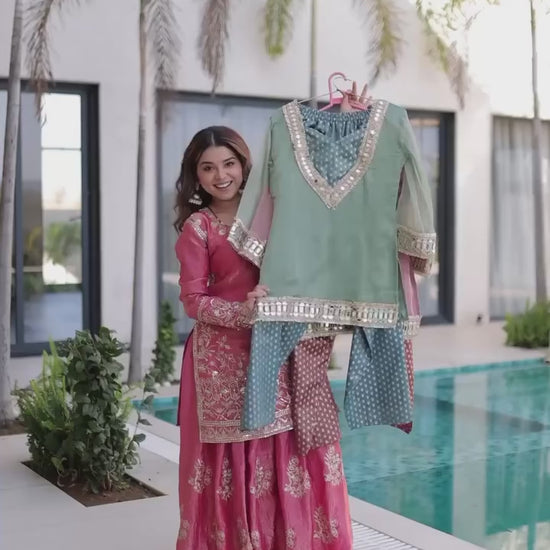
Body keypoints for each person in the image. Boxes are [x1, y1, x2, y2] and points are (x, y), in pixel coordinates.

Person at [174, 125, 353, 549]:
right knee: (239, 451)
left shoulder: (274, 210)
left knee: (290, 443)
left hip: (281, 348)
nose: (221, 176)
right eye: (208, 168)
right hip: (223, 361)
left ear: (244, 165)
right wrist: (243, 311)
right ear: (196, 175)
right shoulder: (199, 228)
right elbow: (193, 301)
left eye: (229, 164)